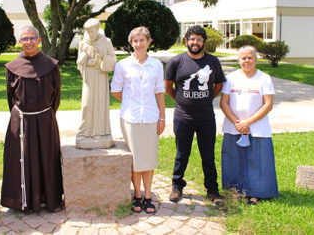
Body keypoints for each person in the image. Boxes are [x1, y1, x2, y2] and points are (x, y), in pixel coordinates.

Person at [1, 26, 63, 213]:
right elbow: (10, 98)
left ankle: (50, 200)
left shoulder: (51, 65)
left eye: (32, 38)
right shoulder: (12, 67)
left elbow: (56, 96)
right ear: (19, 42)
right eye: (24, 39)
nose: (28, 42)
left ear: (39, 40)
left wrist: (46, 114)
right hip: (21, 121)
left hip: (45, 118)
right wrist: (21, 114)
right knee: (22, 158)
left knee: (47, 157)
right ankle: (23, 200)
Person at [164, 25, 226, 205]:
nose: (195, 42)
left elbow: (219, 86)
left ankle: (213, 191)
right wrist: (180, 99)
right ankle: (177, 186)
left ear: (203, 42)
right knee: (182, 154)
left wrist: (207, 99)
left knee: (208, 155)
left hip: (206, 117)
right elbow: (168, 86)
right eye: (192, 39)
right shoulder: (175, 62)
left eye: (199, 39)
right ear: (186, 41)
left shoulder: (213, 62)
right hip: (183, 117)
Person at [111, 27, 166, 214]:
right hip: (130, 118)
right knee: (135, 160)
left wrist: (162, 117)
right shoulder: (123, 65)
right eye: (135, 41)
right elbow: (116, 90)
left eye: (142, 40)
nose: (138, 44)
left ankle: (148, 196)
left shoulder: (156, 65)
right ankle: (137, 194)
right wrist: (130, 102)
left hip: (151, 117)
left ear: (149, 42)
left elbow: (159, 92)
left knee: (149, 158)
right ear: (131, 43)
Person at [219, 45, 279, 205]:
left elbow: (268, 105)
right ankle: (236, 190)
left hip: (258, 128)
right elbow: (224, 102)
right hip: (234, 127)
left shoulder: (264, 78)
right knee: (234, 159)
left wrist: (248, 122)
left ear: (256, 59)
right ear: (239, 60)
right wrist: (237, 122)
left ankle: (255, 193)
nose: (247, 61)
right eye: (243, 58)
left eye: (250, 57)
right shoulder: (231, 78)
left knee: (257, 160)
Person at [76, 18, 117, 149]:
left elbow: (113, 59)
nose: (89, 33)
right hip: (89, 78)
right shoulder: (83, 43)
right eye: (87, 31)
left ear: (97, 29)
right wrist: (86, 62)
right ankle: (85, 132)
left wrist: (102, 58)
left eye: (91, 31)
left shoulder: (106, 41)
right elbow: (79, 62)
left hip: (100, 76)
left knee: (100, 103)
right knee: (87, 104)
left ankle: (101, 132)